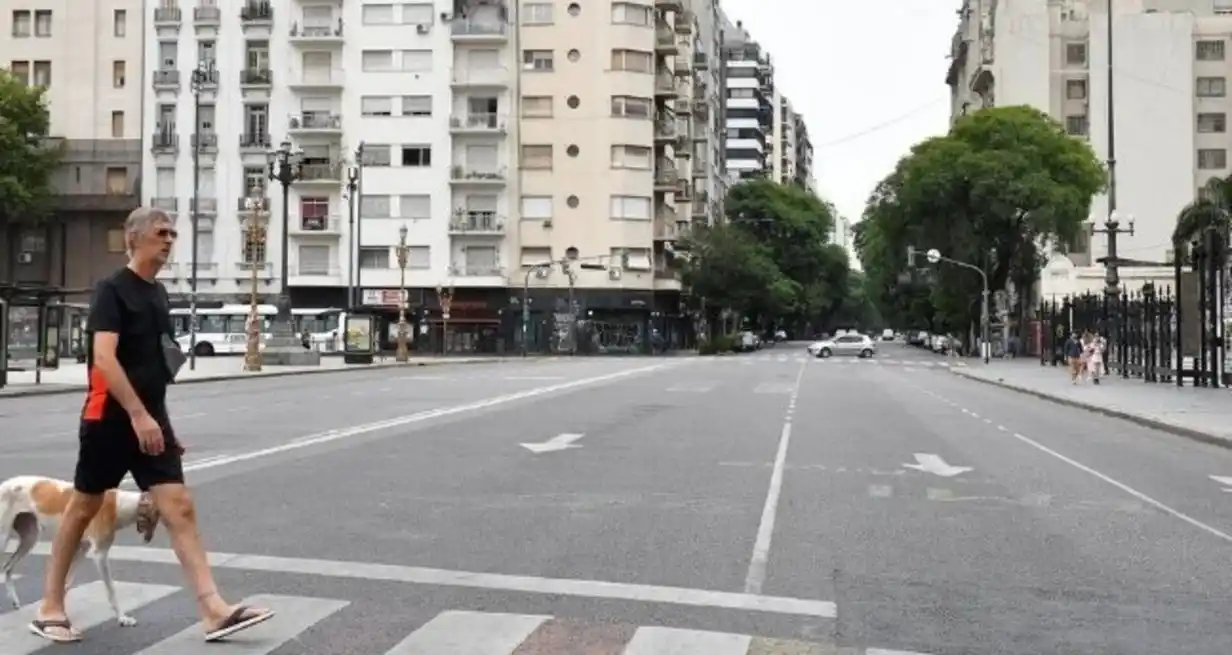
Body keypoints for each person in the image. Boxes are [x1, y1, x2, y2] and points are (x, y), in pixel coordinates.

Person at [31, 207, 275, 644]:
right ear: (134, 237)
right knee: (84, 508)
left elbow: (156, 362)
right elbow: (104, 358)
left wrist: (161, 421)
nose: (169, 240)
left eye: (172, 234)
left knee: (178, 506)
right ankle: (51, 605)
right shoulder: (111, 290)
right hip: (108, 419)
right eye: (161, 233)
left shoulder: (159, 294)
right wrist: (140, 415)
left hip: (151, 422)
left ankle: (213, 610)